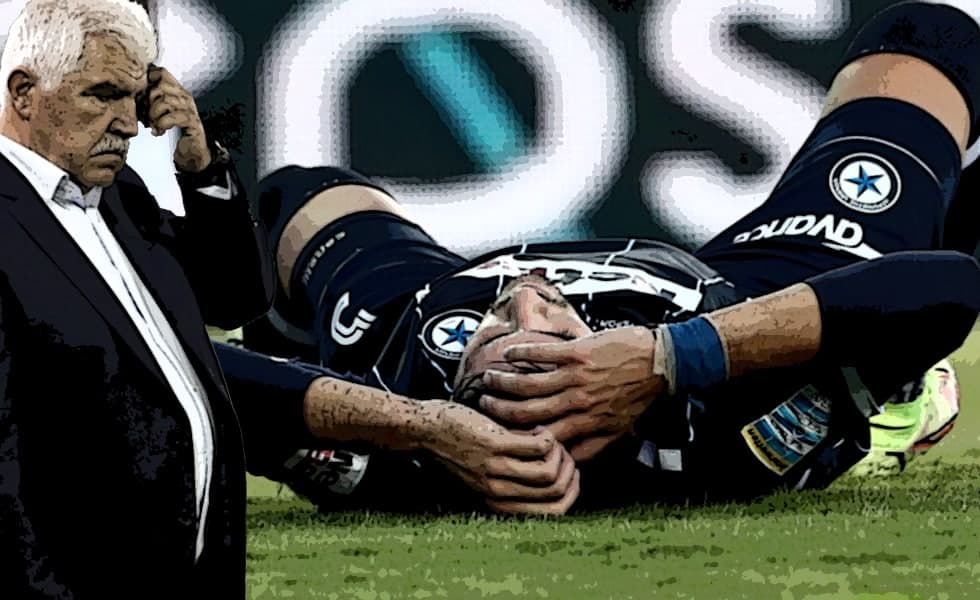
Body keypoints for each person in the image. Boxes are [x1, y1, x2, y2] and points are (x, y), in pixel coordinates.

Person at [223, 1, 980, 513]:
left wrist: (415, 424)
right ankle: (892, 392)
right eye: (548, 339)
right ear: (603, 401)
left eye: (493, 333)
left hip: (417, 298)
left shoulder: (407, 387)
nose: (527, 291)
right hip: (733, 295)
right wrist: (668, 355)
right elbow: (949, 288)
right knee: (928, 45)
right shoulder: (715, 421)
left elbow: (203, 370)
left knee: (303, 199)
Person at [0, 1, 276, 598]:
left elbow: (237, 300)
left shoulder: (120, 196)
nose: (128, 123)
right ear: (23, 94)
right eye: (102, 95)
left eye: (134, 96)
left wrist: (202, 167)